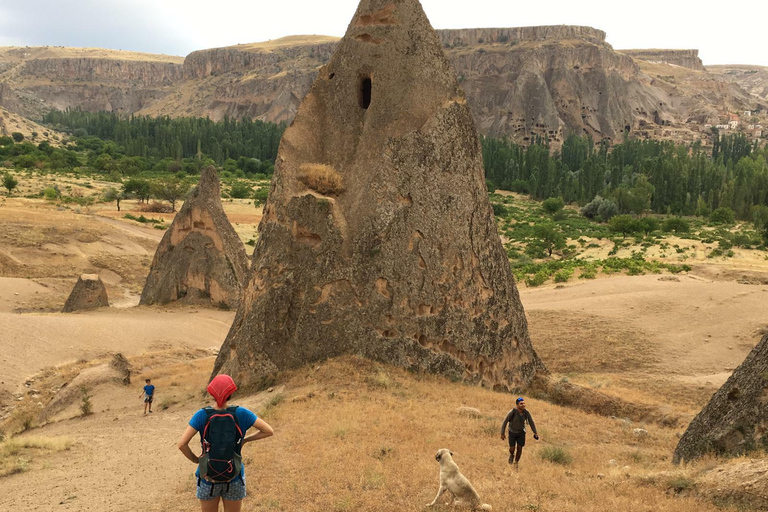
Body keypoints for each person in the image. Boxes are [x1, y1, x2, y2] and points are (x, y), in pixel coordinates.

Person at [178, 374, 274, 512]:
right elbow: (268, 430)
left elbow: (182, 444)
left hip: (207, 477)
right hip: (234, 476)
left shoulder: (202, 414)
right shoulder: (242, 413)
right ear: (231, 393)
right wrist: (245, 440)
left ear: (211, 394)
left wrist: (197, 460)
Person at [500, 397, 540, 467]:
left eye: (524, 403)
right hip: (512, 432)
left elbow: (531, 422)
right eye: (521, 404)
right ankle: (511, 455)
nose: (523, 405)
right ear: (517, 405)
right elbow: (505, 422)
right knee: (512, 448)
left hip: (521, 432)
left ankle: (516, 462)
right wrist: (502, 433)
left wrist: (535, 432)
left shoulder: (526, 412)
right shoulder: (512, 412)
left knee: (520, 448)